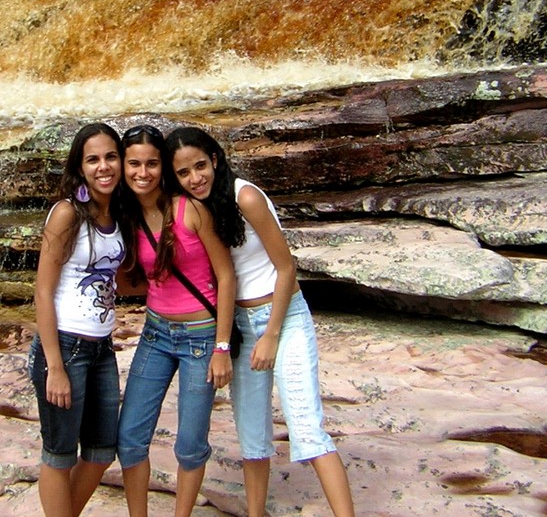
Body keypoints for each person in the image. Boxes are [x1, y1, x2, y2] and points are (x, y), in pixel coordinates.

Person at [164, 126, 356, 517]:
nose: (195, 178)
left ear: (215, 160)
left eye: (201, 166)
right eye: (184, 173)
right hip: (239, 325)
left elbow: (287, 268)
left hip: (282, 318)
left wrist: (271, 335)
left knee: (305, 425)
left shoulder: (245, 196)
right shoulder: (193, 208)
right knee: (252, 435)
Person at [115, 124, 236, 517]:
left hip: (201, 338)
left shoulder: (190, 209)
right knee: (130, 437)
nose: (142, 173)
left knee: (189, 444)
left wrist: (222, 347)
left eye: (152, 164)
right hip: (155, 334)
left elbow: (226, 276)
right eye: (134, 164)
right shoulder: (126, 215)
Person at [29, 122, 128, 517]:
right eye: (93, 159)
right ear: (80, 167)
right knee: (60, 454)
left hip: (102, 348)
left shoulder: (117, 211)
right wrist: (54, 366)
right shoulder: (67, 213)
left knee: (103, 451)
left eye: (110, 157)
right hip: (65, 348)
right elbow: (42, 291)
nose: (103, 166)